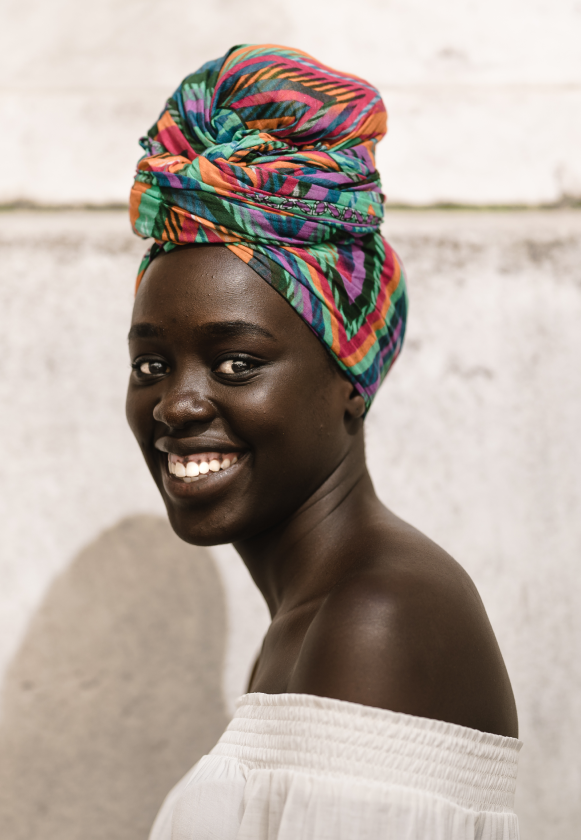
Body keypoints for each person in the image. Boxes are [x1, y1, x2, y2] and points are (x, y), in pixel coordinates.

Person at [126, 45, 521, 840]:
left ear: (350, 379)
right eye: (152, 364)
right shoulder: (311, 623)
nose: (177, 403)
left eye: (237, 362)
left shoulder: (375, 620)